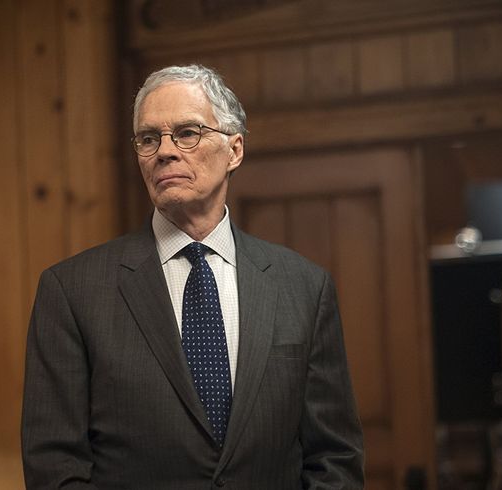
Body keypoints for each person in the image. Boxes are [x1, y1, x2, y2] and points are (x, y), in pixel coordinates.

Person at [21, 64, 364, 489]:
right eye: (148, 139)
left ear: (234, 150)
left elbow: (334, 457)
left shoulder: (304, 287)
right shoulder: (72, 292)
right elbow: (55, 466)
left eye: (187, 133)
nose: (164, 151)